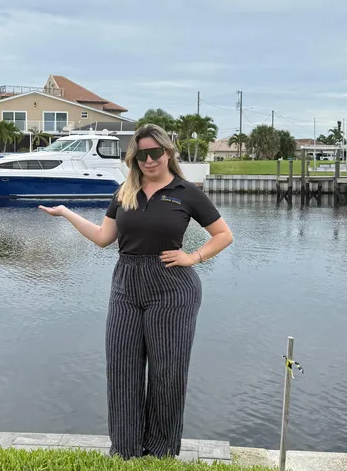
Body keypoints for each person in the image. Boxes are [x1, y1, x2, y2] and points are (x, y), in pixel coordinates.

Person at [39, 124, 233, 459]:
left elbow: (223, 235)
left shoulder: (186, 192)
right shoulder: (125, 191)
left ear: (168, 152)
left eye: (154, 153)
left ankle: (160, 453)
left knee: (167, 372)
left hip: (172, 287)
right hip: (126, 283)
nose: (149, 160)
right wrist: (67, 213)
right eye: (141, 155)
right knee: (121, 367)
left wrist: (194, 257)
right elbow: (103, 237)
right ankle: (125, 451)